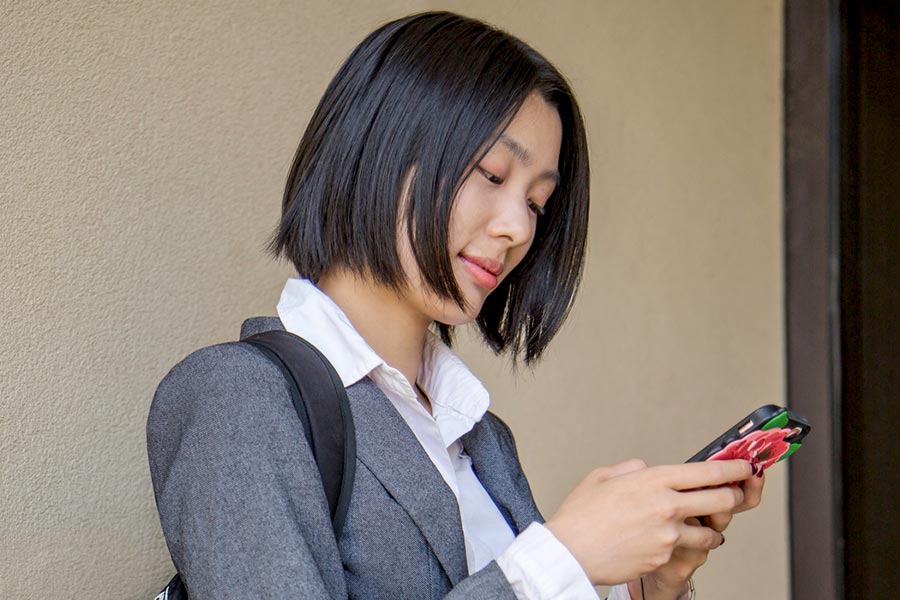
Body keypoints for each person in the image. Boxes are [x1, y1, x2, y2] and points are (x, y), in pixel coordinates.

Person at [147, 11, 763, 600]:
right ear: (381, 149)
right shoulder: (237, 397)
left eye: (538, 203)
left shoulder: (481, 437)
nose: (518, 228)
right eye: (493, 175)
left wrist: (651, 588)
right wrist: (564, 555)